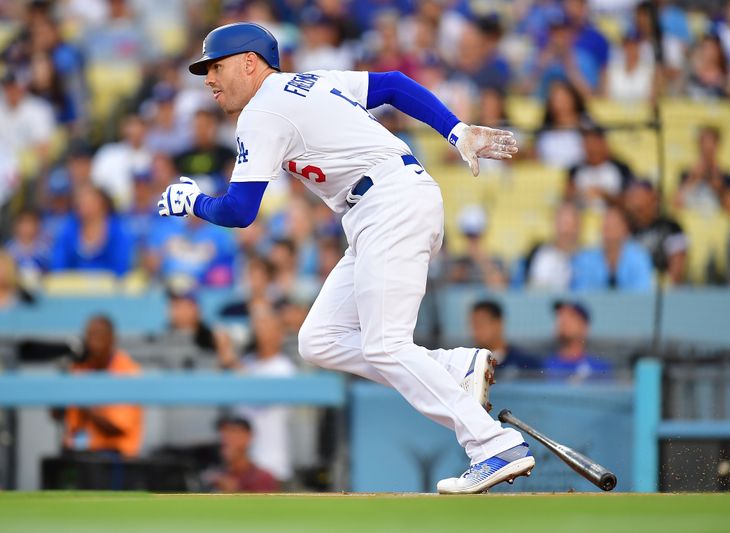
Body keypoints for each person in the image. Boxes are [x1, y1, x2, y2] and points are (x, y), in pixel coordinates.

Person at [157, 22, 532, 494]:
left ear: (250, 62)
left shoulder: (261, 112)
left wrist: (193, 200)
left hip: (388, 205)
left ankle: (492, 444)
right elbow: (393, 85)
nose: (209, 78)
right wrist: (454, 131)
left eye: (216, 65)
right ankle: (453, 367)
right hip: (384, 205)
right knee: (319, 340)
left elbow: (238, 211)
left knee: (385, 345)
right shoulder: (312, 80)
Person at [221, 303, 297, 484]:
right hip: (243, 465)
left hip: (273, 463)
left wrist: (232, 362)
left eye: (267, 325)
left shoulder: (284, 367)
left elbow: (259, 393)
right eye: (258, 325)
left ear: (280, 332)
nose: (261, 331)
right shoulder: (247, 362)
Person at [61, 315, 143, 457]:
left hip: (115, 456)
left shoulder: (127, 371)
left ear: (112, 338)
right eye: (89, 335)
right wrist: (59, 386)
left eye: (98, 335)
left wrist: (82, 403)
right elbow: (57, 415)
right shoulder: (79, 367)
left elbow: (117, 427)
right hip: (77, 451)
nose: (93, 342)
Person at [50, 184, 133, 277]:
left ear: (102, 203)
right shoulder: (68, 229)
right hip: (73, 287)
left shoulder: (118, 231)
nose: (83, 204)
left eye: (88, 200)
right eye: (80, 201)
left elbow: (121, 266)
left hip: (108, 288)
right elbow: (59, 265)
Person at [571, 205, 654, 291]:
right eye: (606, 223)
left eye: (614, 224)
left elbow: (642, 294)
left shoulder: (639, 257)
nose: (609, 228)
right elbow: (581, 293)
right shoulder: (586, 259)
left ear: (625, 228)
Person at [624, 180, 687, 285]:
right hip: (632, 289)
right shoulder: (626, 228)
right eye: (633, 196)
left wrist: (668, 286)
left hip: (661, 289)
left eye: (639, 196)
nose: (635, 202)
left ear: (653, 199)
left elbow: (677, 268)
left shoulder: (671, 227)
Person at [565, 124, 636, 210]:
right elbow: (567, 198)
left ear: (604, 144)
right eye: (587, 143)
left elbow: (628, 201)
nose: (591, 148)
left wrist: (604, 195)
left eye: (594, 143)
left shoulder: (621, 169)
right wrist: (580, 194)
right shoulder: (575, 170)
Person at [674, 126, 730, 217]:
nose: (707, 148)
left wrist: (719, 186)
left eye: (711, 144)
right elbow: (676, 206)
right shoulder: (686, 174)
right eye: (704, 143)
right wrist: (693, 179)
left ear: (717, 146)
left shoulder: (729, 178)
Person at [205, 415, 279, 493]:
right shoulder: (216, 476)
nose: (225, 438)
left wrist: (234, 491)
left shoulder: (262, 478)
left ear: (248, 436)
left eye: (233, 432)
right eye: (223, 432)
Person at [544, 300, 611, 383]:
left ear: (584, 326)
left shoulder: (600, 368)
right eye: (560, 316)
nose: (563, 321)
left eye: (571, 316)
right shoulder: (542, 366)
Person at [470, 300, 541, 379]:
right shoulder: (468, 364)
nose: (477, 331)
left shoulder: (526, 363)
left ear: (499, 323)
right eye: (474, 325)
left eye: (482, 324)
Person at [527, 202, 581, 291]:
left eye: (571, 224)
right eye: (563, 223)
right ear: (555, 225)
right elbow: (537, 292)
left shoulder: (587, 258)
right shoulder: (544, 257)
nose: (566, 230)